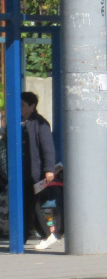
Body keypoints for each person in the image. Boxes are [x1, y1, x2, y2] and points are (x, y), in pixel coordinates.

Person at [20, 92, 58, 249]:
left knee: (34, 205)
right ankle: (23, 236)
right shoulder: (17, 122)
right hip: (21, 173)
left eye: (22, 105)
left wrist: (49, 169)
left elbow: (47, 148)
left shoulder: (40, 123)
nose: (19, 108)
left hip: (35, 173)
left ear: (32, 106)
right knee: (26, 205)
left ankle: (47, 234)